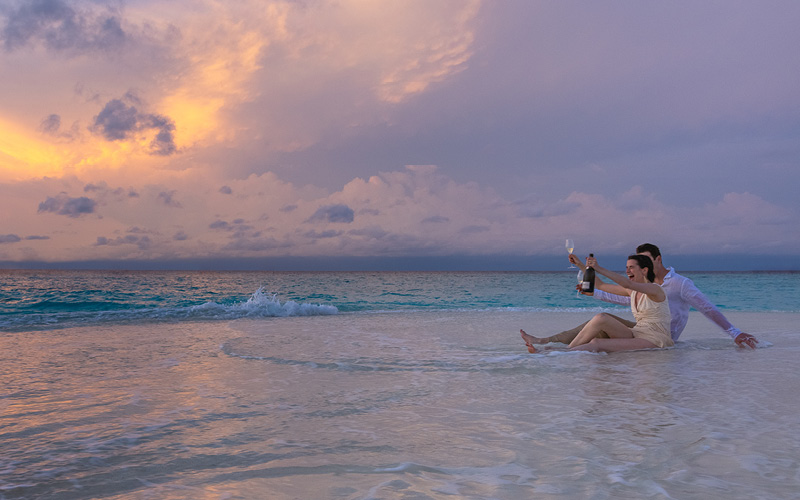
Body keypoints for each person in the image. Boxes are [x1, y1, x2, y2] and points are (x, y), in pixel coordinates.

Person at [523, 243, 759, 349]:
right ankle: (549, 344)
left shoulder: (678, 284)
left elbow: (707, 308)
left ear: (655, 260)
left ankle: (558, 352)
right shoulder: (639, 286)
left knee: (599, 337)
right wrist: (583, 270)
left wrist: (734, 333)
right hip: (640, 327)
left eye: (641, 262)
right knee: (600, 320)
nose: (635, 266)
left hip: (661, 337)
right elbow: (620, 293)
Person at [522, 254, 673, 353]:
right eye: (626, 267)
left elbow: (626, 283)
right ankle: (563, 350)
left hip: (655, 338)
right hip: (637, 332)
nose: (627, 270)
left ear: (645, 270)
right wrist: (582, 266)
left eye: (631, 267)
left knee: (597, 343)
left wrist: (598, 267)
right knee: (601, 318)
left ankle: (557, 352)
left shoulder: (655, 290)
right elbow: (600, 285)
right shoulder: (632, 292)